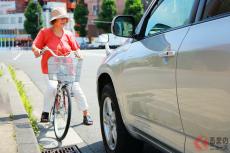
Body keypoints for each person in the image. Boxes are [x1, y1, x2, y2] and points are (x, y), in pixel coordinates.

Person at [32, 7, 93, 125]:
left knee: (76, 88)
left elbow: (76, 48)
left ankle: (86, 114)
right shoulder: (45, 32)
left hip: (67, 68)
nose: (64, 21)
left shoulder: (69, 34)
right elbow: (35, 46)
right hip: (50, 69)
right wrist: (39, 51)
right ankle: (46, 112)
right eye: (61, 19)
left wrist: (79, 54)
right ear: (54, 20)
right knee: (52, 87)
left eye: (65, 18)